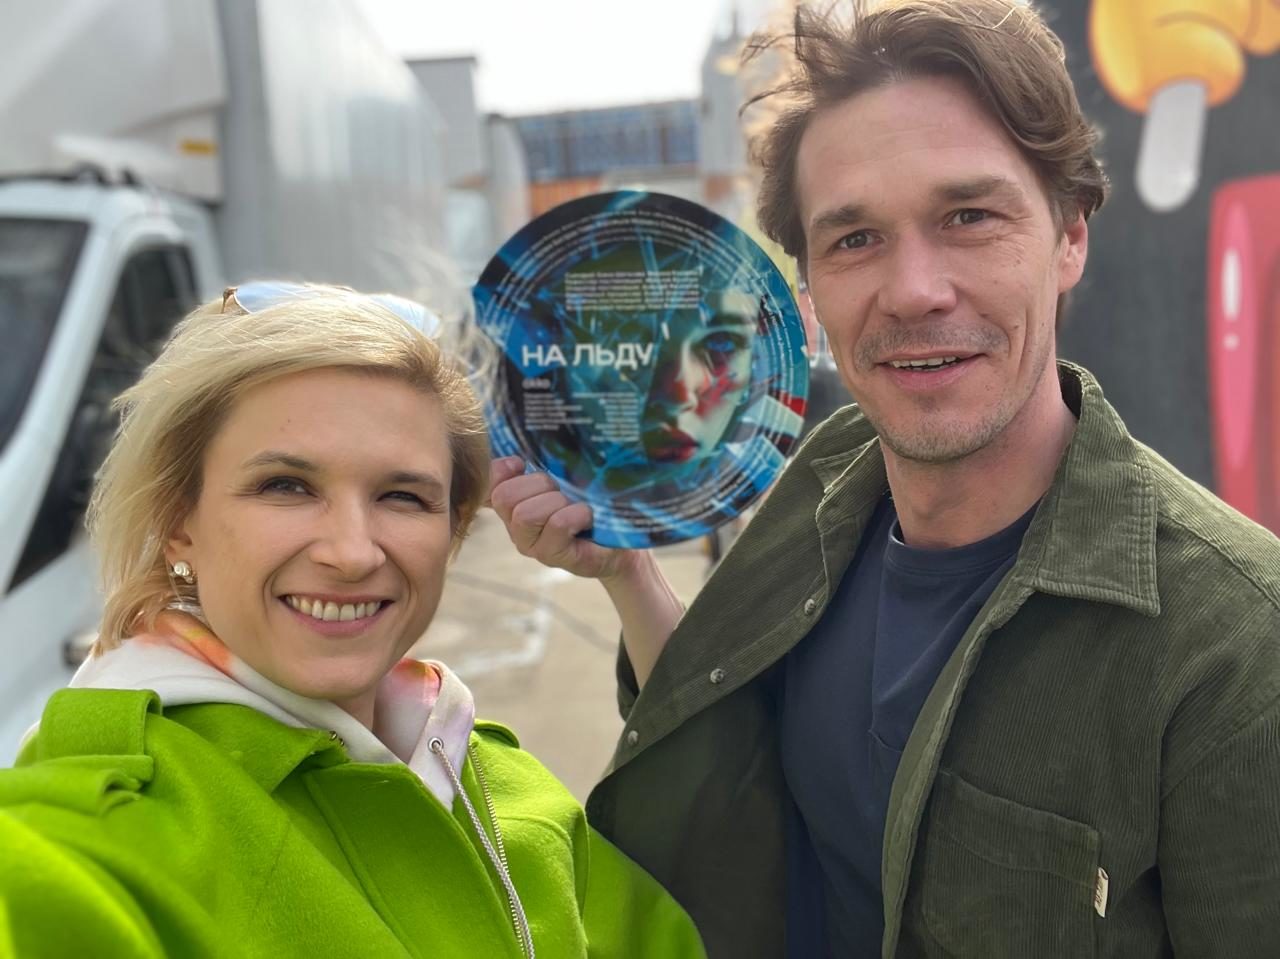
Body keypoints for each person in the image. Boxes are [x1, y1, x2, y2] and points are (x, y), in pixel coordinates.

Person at [488, 1, 1280, 956]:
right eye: (854, 239)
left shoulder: (1239, 648)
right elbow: (736, 764)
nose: (912, 291)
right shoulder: (821, 482)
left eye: (969, 216)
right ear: (809, 291)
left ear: (1069, 236)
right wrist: (628, 570)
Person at [0, 283, 706, 958]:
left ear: (453, 530)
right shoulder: (106, 814)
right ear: (178, 523)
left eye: (403, 496)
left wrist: (632, 572)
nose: (352, 552)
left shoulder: (503, 785)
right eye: (285, 486)